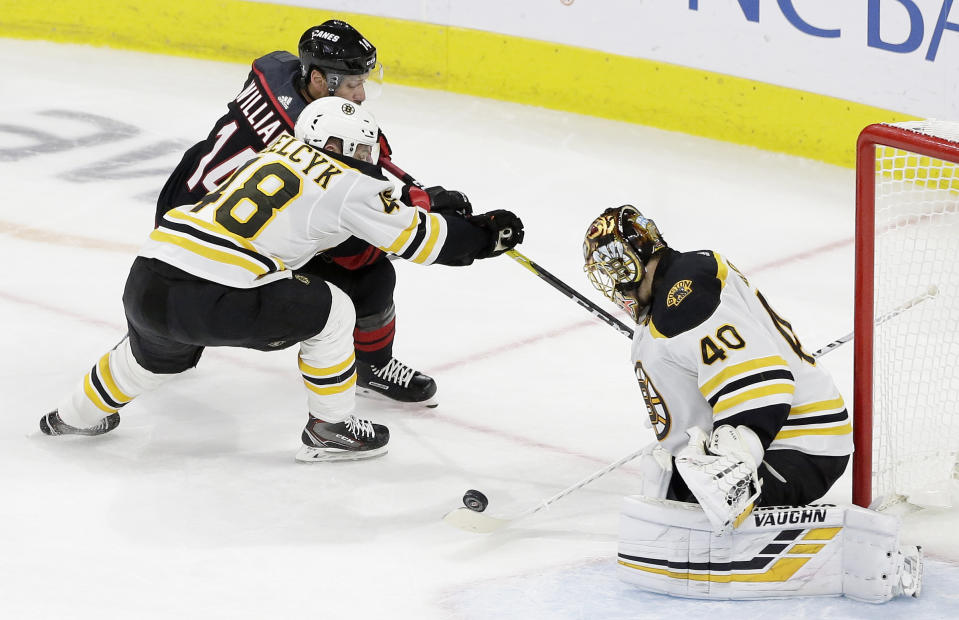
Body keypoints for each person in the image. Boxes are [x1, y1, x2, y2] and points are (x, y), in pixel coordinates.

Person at [39, 97, 524, 464]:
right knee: (334, 311)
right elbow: (424, 243)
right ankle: (331, 430)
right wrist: (486, 233)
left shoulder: (276, 152)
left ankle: (72, 416)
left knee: (149, 357)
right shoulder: (350, 182)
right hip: (218, 295)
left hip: (149, 275)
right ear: (347, 146)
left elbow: (327, 214)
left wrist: (424, 205)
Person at [582, 205, 921, 602]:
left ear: (636, 260)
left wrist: (734, 454)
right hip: (781, 441)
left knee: (708, 493)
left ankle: (831, 550)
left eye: (616, 270)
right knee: (667, 480)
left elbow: (764, 381)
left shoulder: (684, 300)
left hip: (800, 446)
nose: (615, 286)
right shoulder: (680, 286)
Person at [157, 19, 472, 408]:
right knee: (368, 270)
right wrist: (425, 205)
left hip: (181, 208)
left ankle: (158, 335)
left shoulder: (273, 70)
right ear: (320, 81)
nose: (361, 95)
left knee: (165, 347)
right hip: (235, 243)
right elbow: (361, 201)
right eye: (353, 84)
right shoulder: (307, 142)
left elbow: (365, 152)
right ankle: (368, 368)